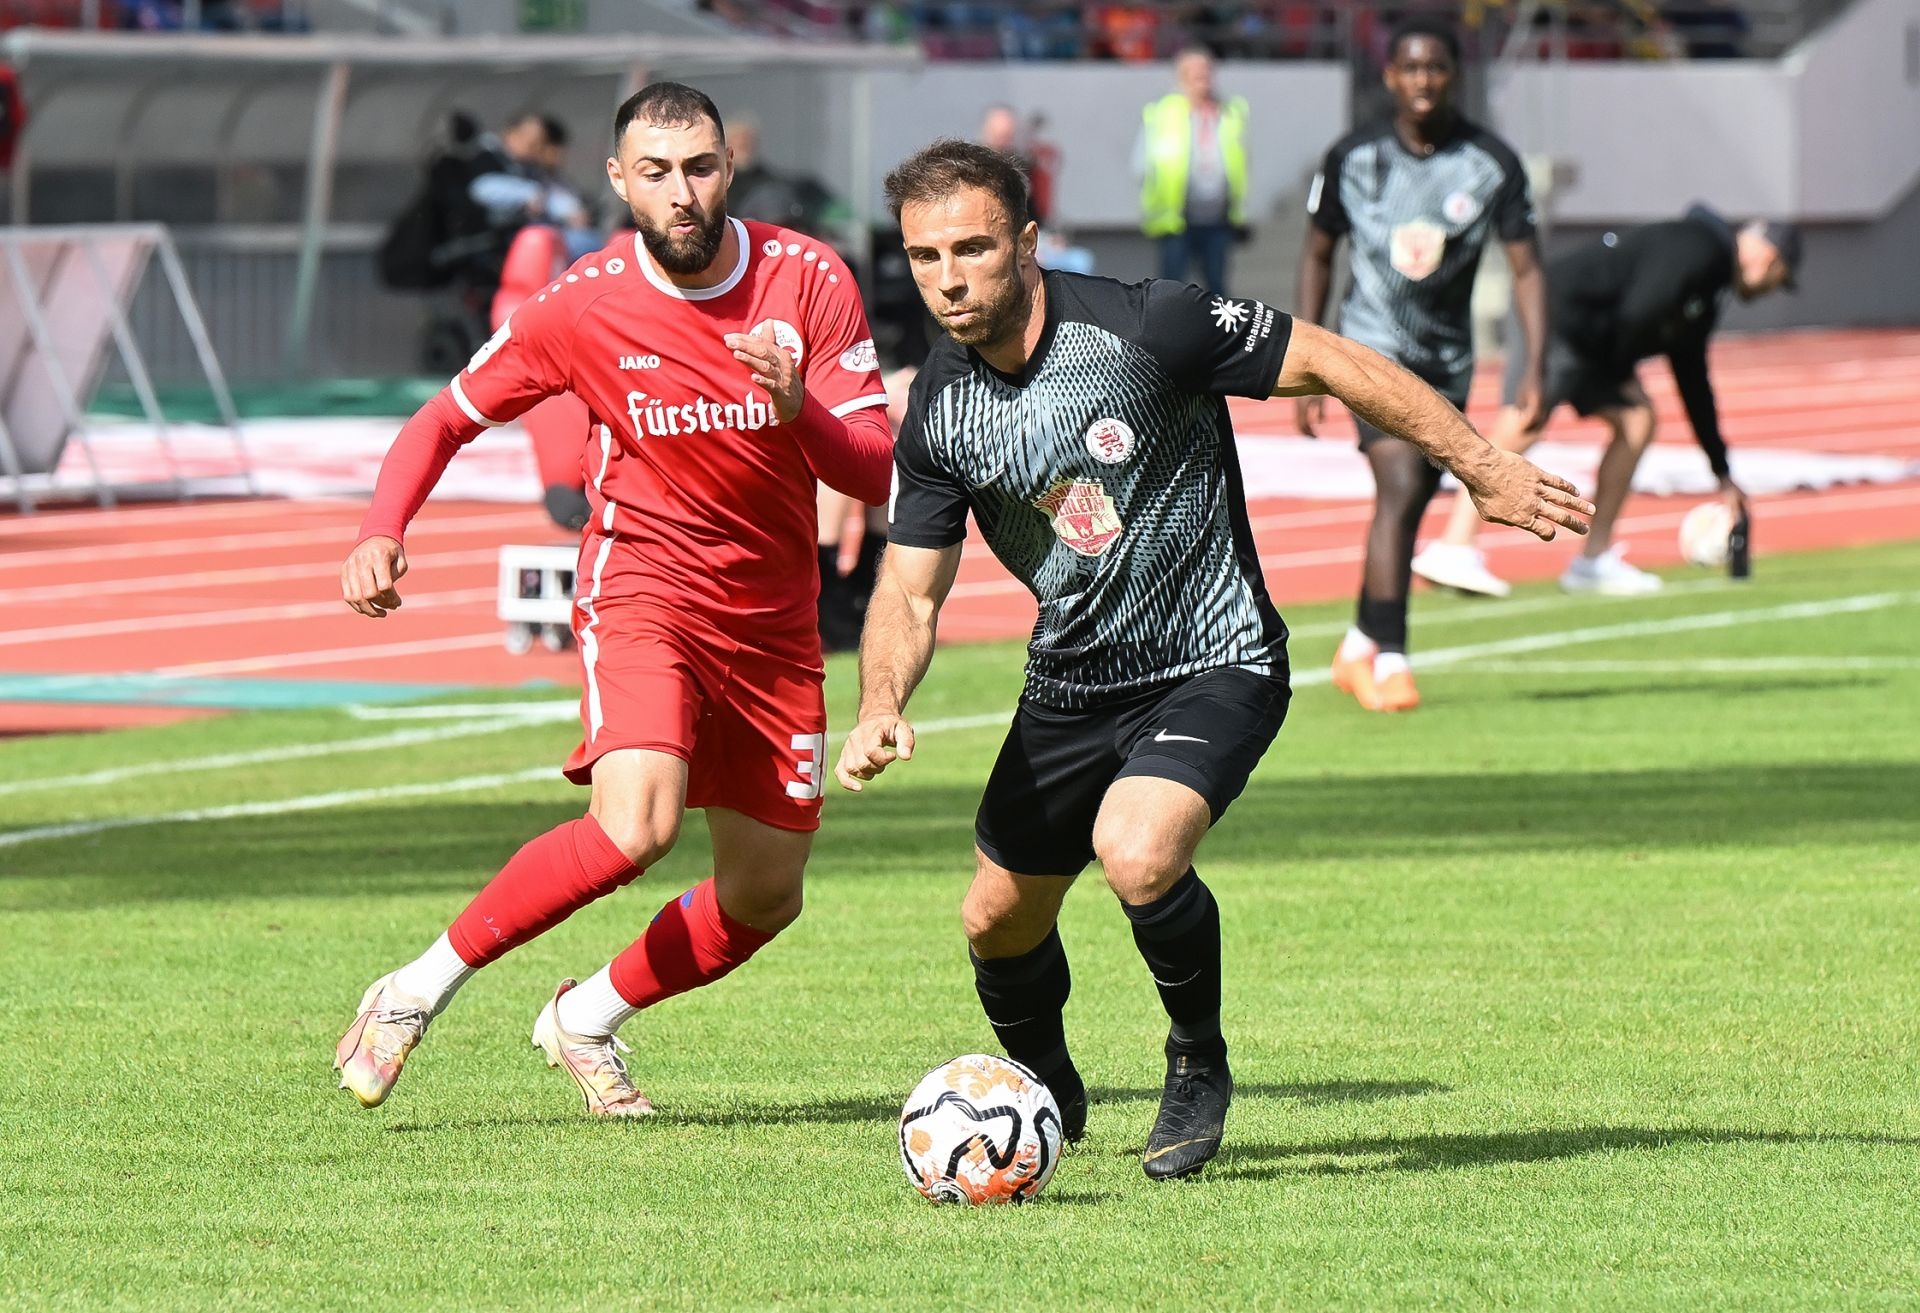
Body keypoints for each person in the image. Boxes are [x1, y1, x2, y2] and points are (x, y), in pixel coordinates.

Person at [835, 140, 1590, 1181]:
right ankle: (1042, 1086)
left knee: (1137, 850)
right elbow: (911, 590)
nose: (948, 277)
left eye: (972, 247)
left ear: (1028, 242)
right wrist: (880, 701)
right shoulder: (939, 409)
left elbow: (1331, 358)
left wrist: (1479, 462)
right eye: (925, 256)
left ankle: (1196, 1058)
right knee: (995, 920)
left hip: (1214, 653)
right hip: (1071, 681)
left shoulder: (1150, 326)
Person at [333, 82, 892, 1116]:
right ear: (619, 181)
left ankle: (586, 1014)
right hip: (645, 588)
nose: (683, 192)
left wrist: (796, 407)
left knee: (765, 895)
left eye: (701, 168)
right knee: (636, 824)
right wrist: (382, 527)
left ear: (729, 167)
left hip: (774, 624)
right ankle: (410, 991)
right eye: (657, 172)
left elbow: (869, 466)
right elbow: (444, 418)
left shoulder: (808, 276)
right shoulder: (582, 302)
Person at [1297, 16, 1544, 713]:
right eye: (1410, 67)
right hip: (1369, 351)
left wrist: (1533, 364)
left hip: (1447, 364)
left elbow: (1528, 269)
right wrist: (1308, 355)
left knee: (1408, 503)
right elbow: (1317, 254)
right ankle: (1393, 658)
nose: (1423, 80)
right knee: (1400, 484)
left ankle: (1356, 646)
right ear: (1389, 76)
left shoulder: (1490, 162)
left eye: (1435, 67)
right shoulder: (1353, 157)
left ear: (1453, 75)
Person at [1415, 205, 1800, 597]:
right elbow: (1643, 308)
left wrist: (1720, 469)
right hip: (1558, 315)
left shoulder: (1711, 274)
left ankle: (1593, 560)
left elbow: (1691, 372)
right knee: (1524, 418)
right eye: (1779, 279)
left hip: (1593, 338)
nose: (1771, 289)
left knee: (1637, 420)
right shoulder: (1702, 248)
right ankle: (1453, 547)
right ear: (1769, 259)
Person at [1135, 46, 1249, 294]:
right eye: (1195, 73)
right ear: (1182, 77)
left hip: (1218, 219)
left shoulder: (1229, 111)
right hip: (1176, 219)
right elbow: (1142, 164)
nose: (1203, 78)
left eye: (1207, 71)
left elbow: (1237, 160)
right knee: (1171, 290)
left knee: (1217, 292)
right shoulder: (1164, 112)